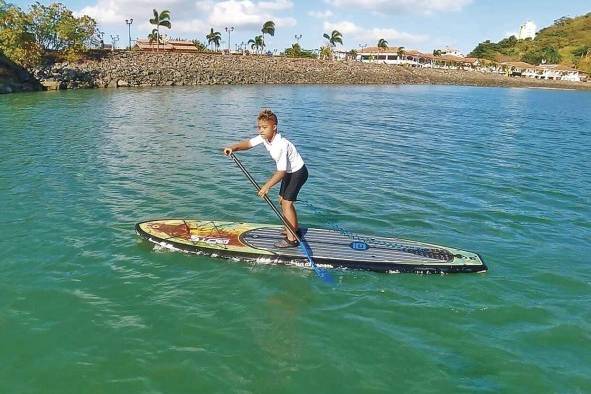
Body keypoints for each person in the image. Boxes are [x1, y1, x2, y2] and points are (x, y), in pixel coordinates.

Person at [223, 109, 308, 248]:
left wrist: (266, 186)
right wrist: (233, 147)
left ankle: (292, 240)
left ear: (274, 127)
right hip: (288, 172)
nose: (261, 130)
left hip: (298, 173)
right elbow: (249, 144)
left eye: (265, 127)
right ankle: (294, 228)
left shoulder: (280, 145)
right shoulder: (264, 137)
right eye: (259, 127)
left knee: (287, 204)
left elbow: (280, 172)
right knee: (282, 201)